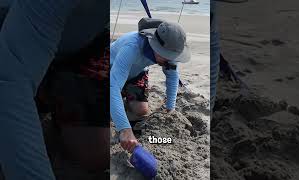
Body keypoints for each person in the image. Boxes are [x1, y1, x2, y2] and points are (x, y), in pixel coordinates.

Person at [0, 0, 108, 179]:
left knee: (95, 154)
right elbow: (11, 81)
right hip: (12, 28)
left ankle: (48, 96)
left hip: (82, 40)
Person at [110, 20, 191, 152]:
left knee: (141, 110)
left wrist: (170, 108)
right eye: (167, 56)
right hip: (111, 70)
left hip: (137, 74)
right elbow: (113, 87)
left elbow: (172, 76)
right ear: (154, 46)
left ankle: (122, 103)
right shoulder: (131, 47)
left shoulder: (170, 51)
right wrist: (124, 129)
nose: (170, 60)